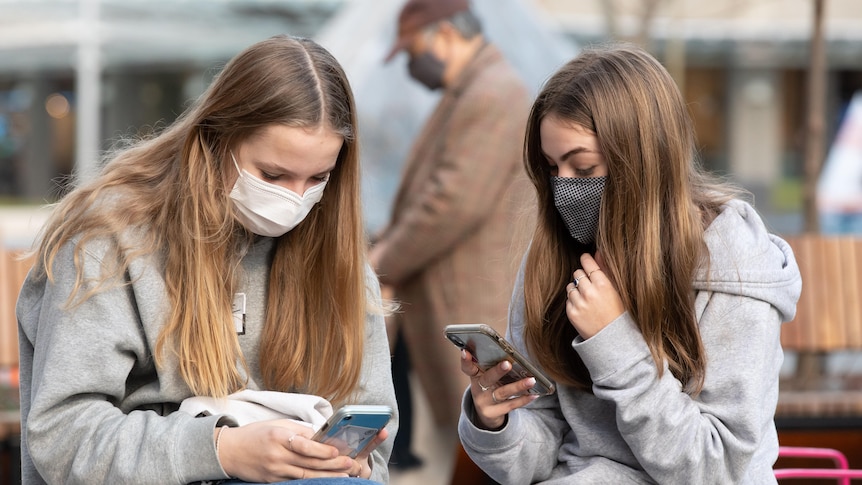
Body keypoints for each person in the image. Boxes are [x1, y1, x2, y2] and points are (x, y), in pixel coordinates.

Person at [16, 35, 397, 485]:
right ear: (215, 140)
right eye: (272, 175)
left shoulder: (336, 253)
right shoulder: (109, 238)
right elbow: (61, 437)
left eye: (318, 178)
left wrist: (349, 462)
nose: (295, 200)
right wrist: (222, 450)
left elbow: (375, 429)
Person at [457, 43, 803, 484]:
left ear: (643, 162)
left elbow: (718, 469)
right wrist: (496, 422)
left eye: (583, 169)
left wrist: (613, 342)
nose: (563, 188)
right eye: (550, 167)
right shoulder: (554, 257)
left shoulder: (733, 266)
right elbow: (541, 451)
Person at [370, 0, 533, 467]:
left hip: (469, 308)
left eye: (413, 49)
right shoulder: (470, 90)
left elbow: (450, 202)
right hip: (451, 307)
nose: (409, 63)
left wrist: (378, 262)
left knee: (477, 455)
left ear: (444, 34)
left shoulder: (492, 92)